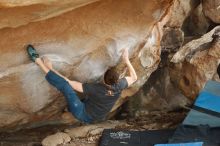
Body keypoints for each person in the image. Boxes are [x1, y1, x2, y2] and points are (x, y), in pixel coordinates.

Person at [27, 45, 137, 123]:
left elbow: (67, 82)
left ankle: (37, 61)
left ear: (103, 79)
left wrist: (50, 68)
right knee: (85, 100)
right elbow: (134, 77)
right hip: (99, 113)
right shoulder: (120, 85)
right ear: (117, 80)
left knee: (66, 88)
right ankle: (69, 109)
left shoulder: (96, 88)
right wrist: (126, 59)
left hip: (83, 114)